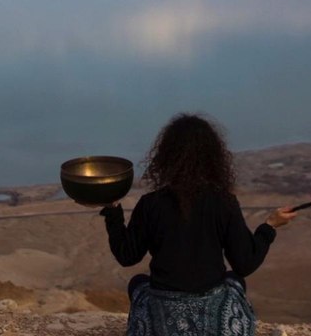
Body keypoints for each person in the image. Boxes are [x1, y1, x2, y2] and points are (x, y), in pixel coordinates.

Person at [100, 113, 298, 336]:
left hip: (163, 318)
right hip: (215, 325)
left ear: (166, 155)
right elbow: (245, 264)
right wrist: (269, 226)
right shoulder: (224, 202)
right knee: (235, 279)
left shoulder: (150, 204)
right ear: (214, 157)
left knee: (138, 283)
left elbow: (127, 256)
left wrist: (112, 212)